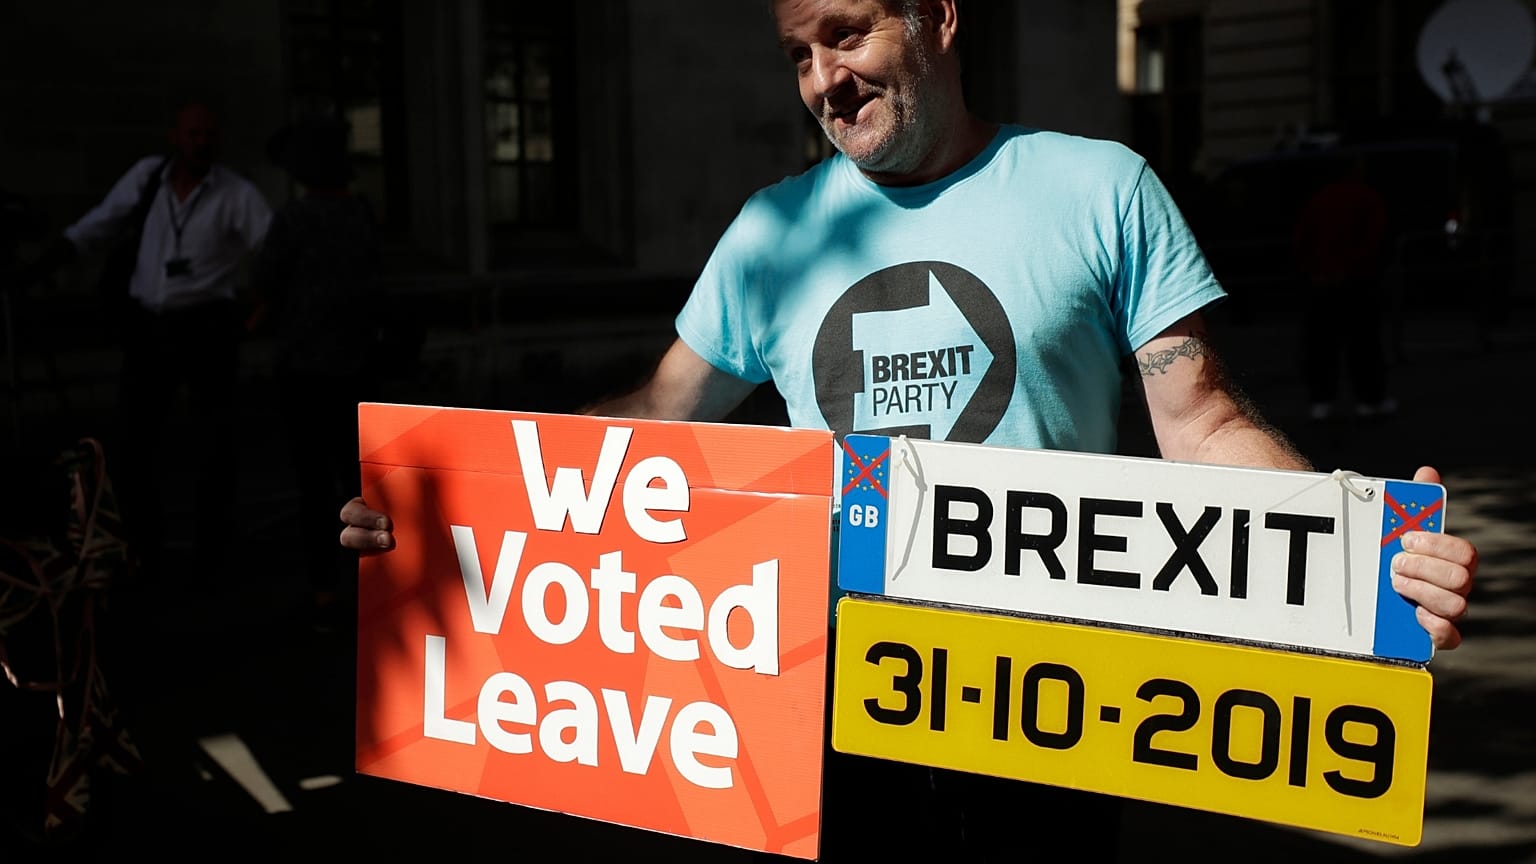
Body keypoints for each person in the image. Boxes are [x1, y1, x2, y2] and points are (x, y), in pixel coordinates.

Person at [340, 0, 1478, 859]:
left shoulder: (1099, 188)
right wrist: (441, 491)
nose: (824, 80)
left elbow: (1203, 421)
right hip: (821, 707)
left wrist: (1365, 566)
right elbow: (653, 424)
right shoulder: (771, 233)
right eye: (797, 55)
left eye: (845, 36)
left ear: (934, 18)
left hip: (1056, 705)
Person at [14, 98, 273, 580]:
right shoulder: (148, 178)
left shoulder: (236, 194)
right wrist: (44, 265)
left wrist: (259, 310)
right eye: (192, 134)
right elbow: (98, 224)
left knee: (214, 443)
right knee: (134, 444)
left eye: (209, 135)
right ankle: (142, 550)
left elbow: (274, 249)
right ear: (175, 136)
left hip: (207, 326)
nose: (200, 143)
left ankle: (211, 556)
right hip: (150, 325)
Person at [250, 111, 382, 633]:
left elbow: (266, 285)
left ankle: (324, 590)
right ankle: (368, 583)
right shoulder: (362, 215)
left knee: (312, 481)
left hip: (306, 368)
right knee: (358, 479)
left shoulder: (294, 219)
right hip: (356, 364)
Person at [1292, 154, 1394, 422]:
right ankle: (1369, 399)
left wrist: (1314, 271)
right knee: (1363, 343)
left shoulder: (1319, 200)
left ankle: (1322, 400)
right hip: (1356, 281)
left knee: (1322, 345)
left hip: (1322, 282)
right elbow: (1375, 239)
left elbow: (1302, 240)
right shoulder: (1366, 197)